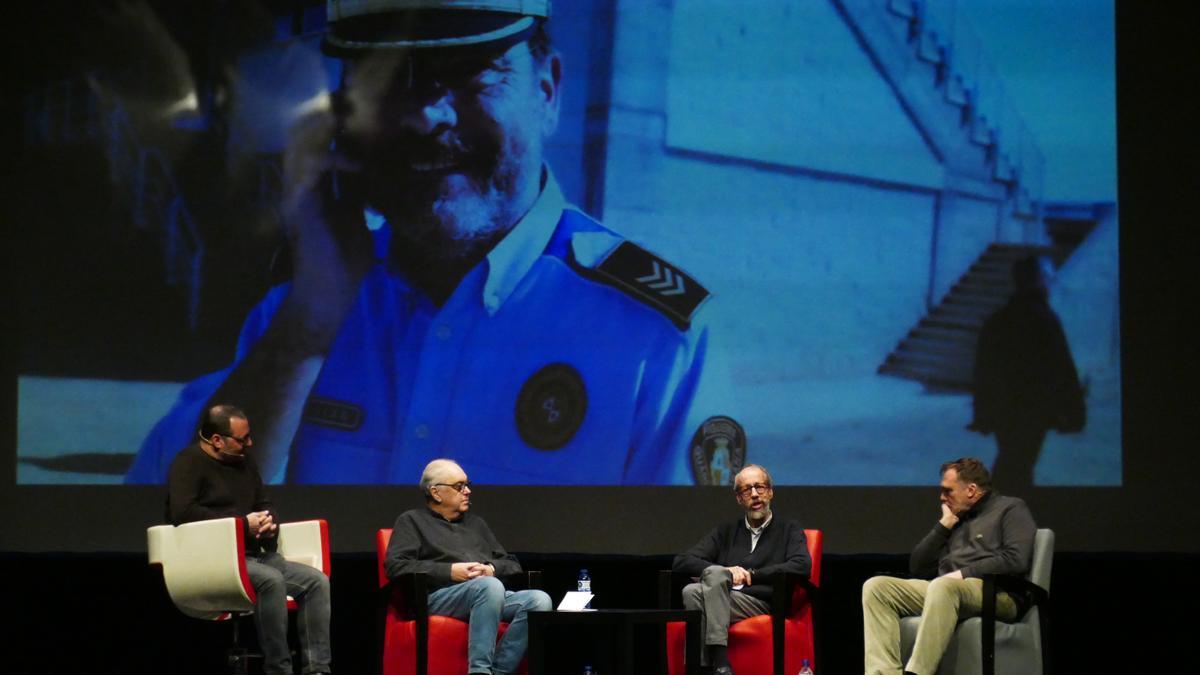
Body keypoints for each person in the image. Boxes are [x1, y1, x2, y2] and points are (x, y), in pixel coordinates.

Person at [126, 0, 733, 486]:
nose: (425, 117)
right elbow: (165, 523)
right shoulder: (301, 316)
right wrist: (305, 333)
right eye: (390, 78)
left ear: (547, 90)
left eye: (471, 70)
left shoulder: (655, 345)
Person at [166, 404, 332, 675]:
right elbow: (183, 512)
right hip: (214, 558)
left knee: (316, 582)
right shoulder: (188, 462)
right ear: (217, 440)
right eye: (242, 439)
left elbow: (264, 503)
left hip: (254, 556)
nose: (250, 444)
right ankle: (278, 669)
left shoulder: (245, 463)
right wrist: (242, 524)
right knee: (271, 580)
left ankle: (317, 670)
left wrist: (269, 522)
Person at [861, 457, 1036, 675]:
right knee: (877, 588)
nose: (942, 498)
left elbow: (1015, 559)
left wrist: (962, 574)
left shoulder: (1010, 508)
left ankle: (917, 673)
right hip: (946, 592)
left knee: (943, 586)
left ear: (971, 490)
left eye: (948, 491)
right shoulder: (957, 518)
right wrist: (943, 527)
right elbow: (918, 567)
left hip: (998, 593)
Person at [384, 459, 551, 675]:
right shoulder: (412, 521)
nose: (468, 491)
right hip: (436, 597)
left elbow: (511, 563)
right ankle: (479, 671)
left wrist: (490, 568)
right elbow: (396, 566)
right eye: (459, 486)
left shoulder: (476, 524)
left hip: (487, 594)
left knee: (538, 601)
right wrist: (451, 572)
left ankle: (499, 671)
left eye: (467, 485)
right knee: (489, 587)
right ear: (436, 492)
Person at [672, 464, 812, 675]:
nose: (754, 494)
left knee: (694, 591)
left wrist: (752, 576)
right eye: (747, 490)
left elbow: (801, 565)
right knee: (694, 589)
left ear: (770, 492)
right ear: (739, 498)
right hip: (724, 598)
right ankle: (717, 666)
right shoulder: (726, 531)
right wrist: (726, 572)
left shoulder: (789, 529)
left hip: (762, 602)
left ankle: (711, 664)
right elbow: (682, 561)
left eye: (760, 487)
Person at [969, 255, 1086, 490]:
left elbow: (984, 371)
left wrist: (983, 411)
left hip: (1005, 411)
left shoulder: (998, 320)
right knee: (1017, 467)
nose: (1053, 281)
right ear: (1039, 280)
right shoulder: (1044, 320)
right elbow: (1061, 368)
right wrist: (1075, 411)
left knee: (1012, 463)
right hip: (1033, 411)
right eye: (1049, 276)